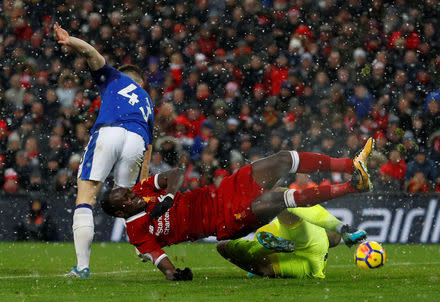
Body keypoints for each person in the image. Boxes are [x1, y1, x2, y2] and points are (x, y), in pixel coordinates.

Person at [100, 138, 374, 281]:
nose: (131, 193)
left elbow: (176, 173)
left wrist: (169, 195)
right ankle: (353, 187)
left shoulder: (145, 189)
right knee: (276, 200)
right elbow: (160, 260)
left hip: (222, 191)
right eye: (125, 196)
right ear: (121, 211)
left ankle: (351, 166)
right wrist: (175, 274)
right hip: (222, 220)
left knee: (280, 160)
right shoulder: (137, 232)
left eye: (126, 190)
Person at [54, 23, 156, 278]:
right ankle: (144, 249)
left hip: (109, 132)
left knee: (86, 196)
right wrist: (141, 184)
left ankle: (82, 267)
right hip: (136, 140)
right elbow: (148, 151)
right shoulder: (147, 103)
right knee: (129, 201)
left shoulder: (114, 78)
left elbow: (91, 53)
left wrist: (70, 40)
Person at [217, 205, 367, 278]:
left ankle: (262, 252)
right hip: (312, 259)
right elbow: (332, 236)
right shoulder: (321, 233)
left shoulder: (264, 231)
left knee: (223, 247)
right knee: (265, 269)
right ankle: (260, 258)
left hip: (286, 237)